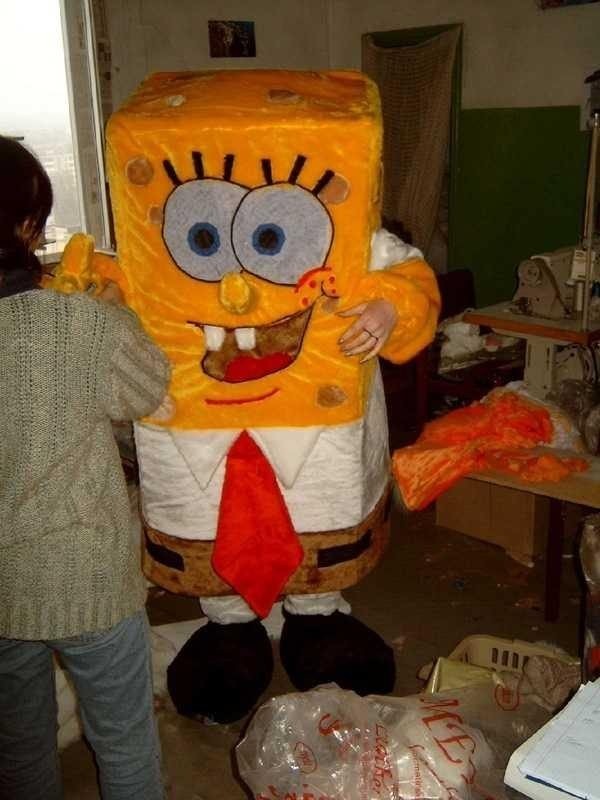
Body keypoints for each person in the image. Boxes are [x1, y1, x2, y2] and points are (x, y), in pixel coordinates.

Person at [0, 135, 170, 800]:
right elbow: (148, 390)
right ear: (26, 227)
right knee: (124, 746)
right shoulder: (78, 321)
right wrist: (116, 313)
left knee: (19, 748)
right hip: (87, 575)